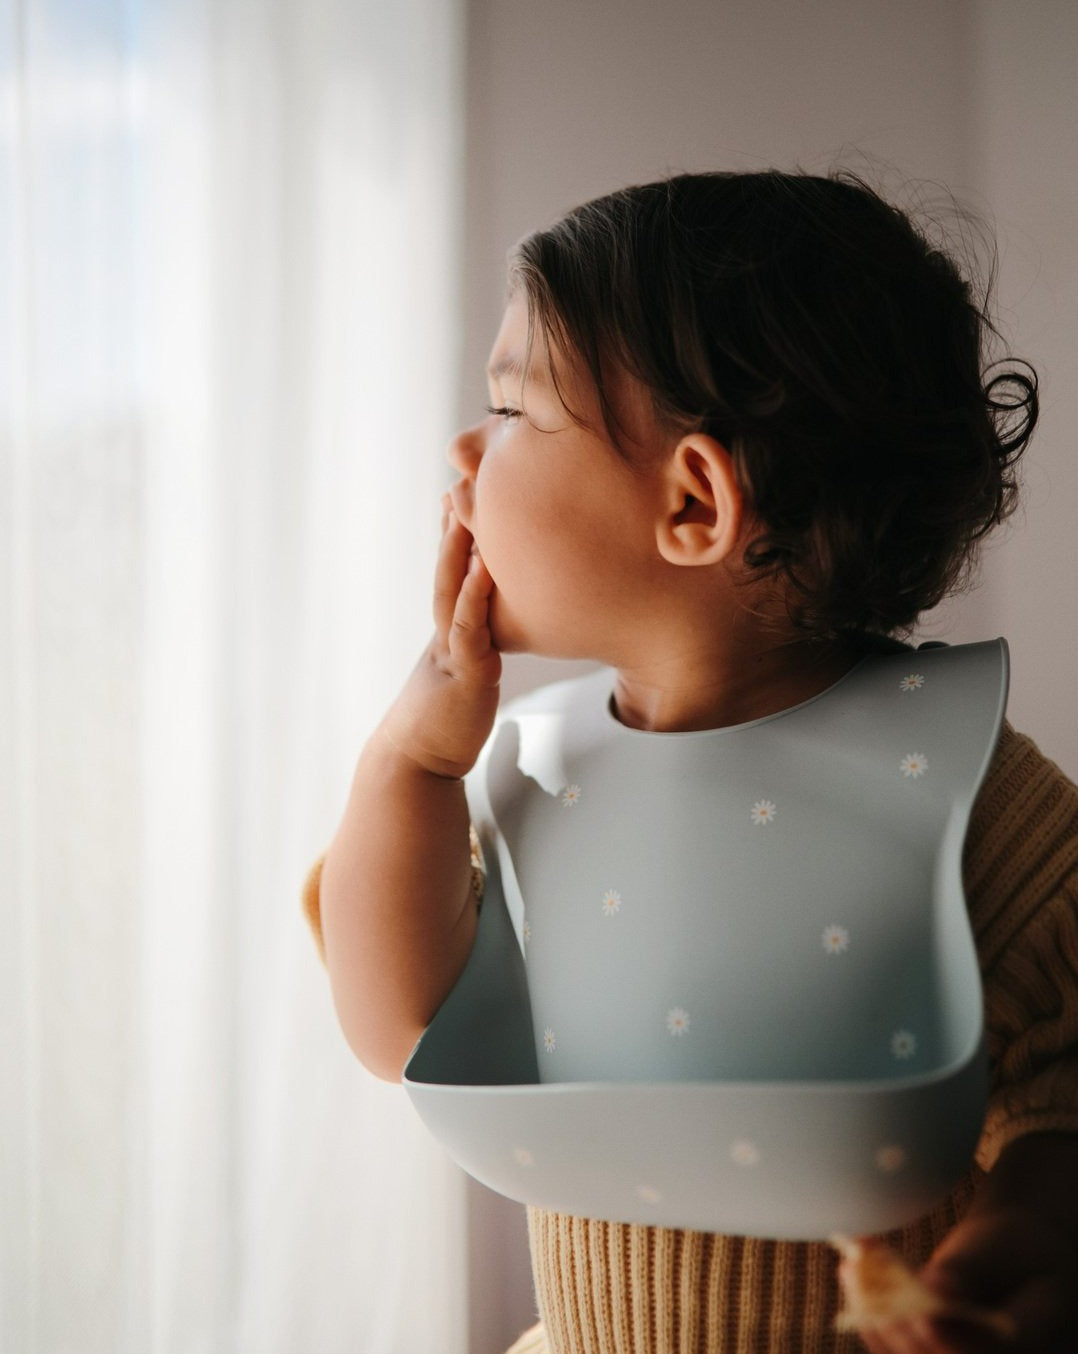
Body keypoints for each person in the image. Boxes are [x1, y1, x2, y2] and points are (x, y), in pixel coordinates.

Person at [309, 171, 1078, 1353]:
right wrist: (410, 760)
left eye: (511, 413)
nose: (465, 452)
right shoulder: (533, 774)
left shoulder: (969, 793)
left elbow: (1061, 1085)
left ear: (693, 502)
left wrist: (1015, 1254)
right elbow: (395, 1023)